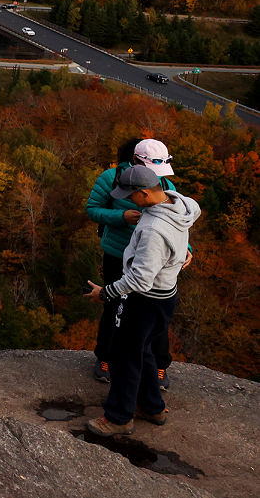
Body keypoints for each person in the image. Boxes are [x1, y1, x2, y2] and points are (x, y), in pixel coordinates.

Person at [83, 164, 200, 436]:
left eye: (130, 194)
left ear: (146, 194)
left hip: (145, 300)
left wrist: (106, 293)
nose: (126, 199)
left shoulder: (153, 230)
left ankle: (119, 417)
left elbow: (140, 280)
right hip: (165, 297)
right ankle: (151, 406)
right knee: (143, 349)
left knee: (125, 357)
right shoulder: (180, 204)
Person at [85, 137, 192, 387]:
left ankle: (158, 365)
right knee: (114, 308)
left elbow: (176, 219)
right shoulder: (111, 178)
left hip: (155, 259)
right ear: (134, 161)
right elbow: (93, 209)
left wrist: (185, 247)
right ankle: (106, 358)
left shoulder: (165, 183)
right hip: (117, 253)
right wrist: (121, 216)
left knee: (152, 315)